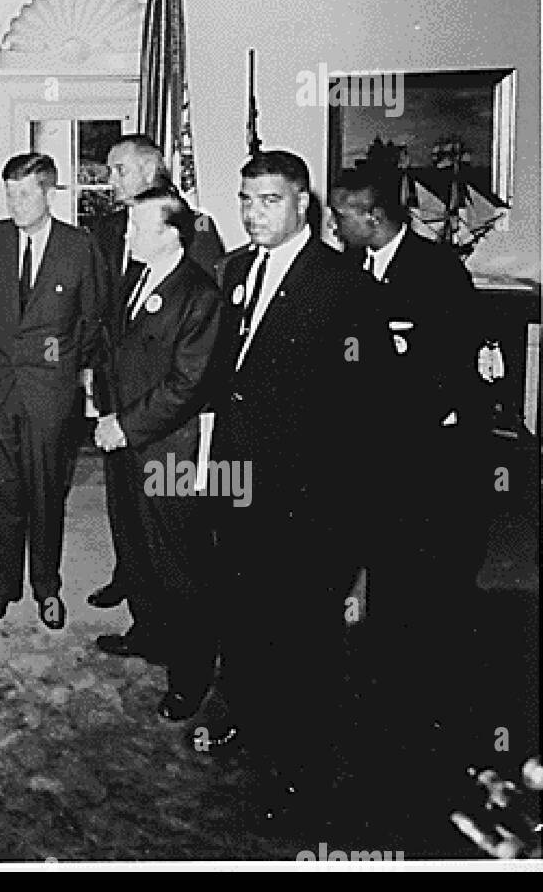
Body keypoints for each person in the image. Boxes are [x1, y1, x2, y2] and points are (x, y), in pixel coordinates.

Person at [209, 149, 391, 817]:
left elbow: (368, 418)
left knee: (304, 637)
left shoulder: (344, 287)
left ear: (302, 204)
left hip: (307, 502)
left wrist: (348, 529)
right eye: (247, 200)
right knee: (243, 614)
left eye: (270, 201)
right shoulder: (234, 269)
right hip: (239, 483)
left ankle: (302, 769)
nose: (255, 213)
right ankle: (250, 719)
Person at [330, 164, 488, 761]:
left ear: (371, 216)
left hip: (424, 448)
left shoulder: (436, 270)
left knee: (423, 572)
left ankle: (424, 701)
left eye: (342, 214)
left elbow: (450, 362)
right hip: (368, 446)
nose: (334, 224)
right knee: (375, 558)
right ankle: (376, 670)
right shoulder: (346, 268)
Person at [92, 187, 223, 721]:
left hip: (171, 451)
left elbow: (187, 384)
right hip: (125, 441)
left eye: (138, 228)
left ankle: (189, 676)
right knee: (136, 547)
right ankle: (149, 633)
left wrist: (124, 425)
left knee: (178, 563)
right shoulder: (136, 278)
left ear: (172, 234)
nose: (127, 236)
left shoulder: (199, 295)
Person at [87, 133, 224, 611]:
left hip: (166, 422)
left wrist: (133, 418)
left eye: (119, 170)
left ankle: (177, 635)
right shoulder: (108, 231)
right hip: (119, 399)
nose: (110, 180)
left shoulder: (195, 232)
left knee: (172, 537)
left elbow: (197, 343)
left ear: (151, 169)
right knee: (126, 513)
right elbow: (110, 317)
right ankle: (132, 584)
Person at [0, 152, 102, 630]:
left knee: (47, 492)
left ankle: (46, 586)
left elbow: (92, 319)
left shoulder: (78, 246)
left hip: (50, 392)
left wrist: (72, 372)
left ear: (49, 193)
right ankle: (2, 586)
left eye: (25, 193)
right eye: (9, 192)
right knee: (2, 491)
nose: (15, 203)